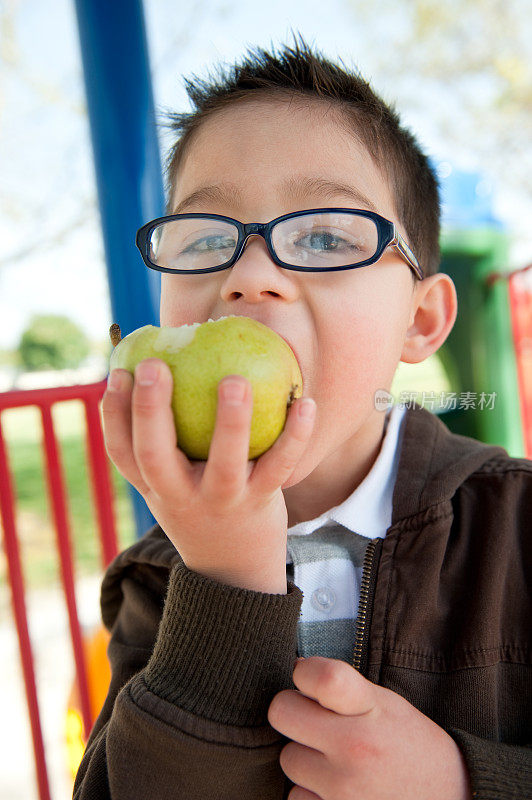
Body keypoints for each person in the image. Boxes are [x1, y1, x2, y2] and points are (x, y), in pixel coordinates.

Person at [73, 33, 532, 799]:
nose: (249, 276)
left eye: (323, 237)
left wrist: (463, 782)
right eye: (209, 238)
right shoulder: (157, 581)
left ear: (421, 321)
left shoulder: (517, 524)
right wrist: (226, 581)